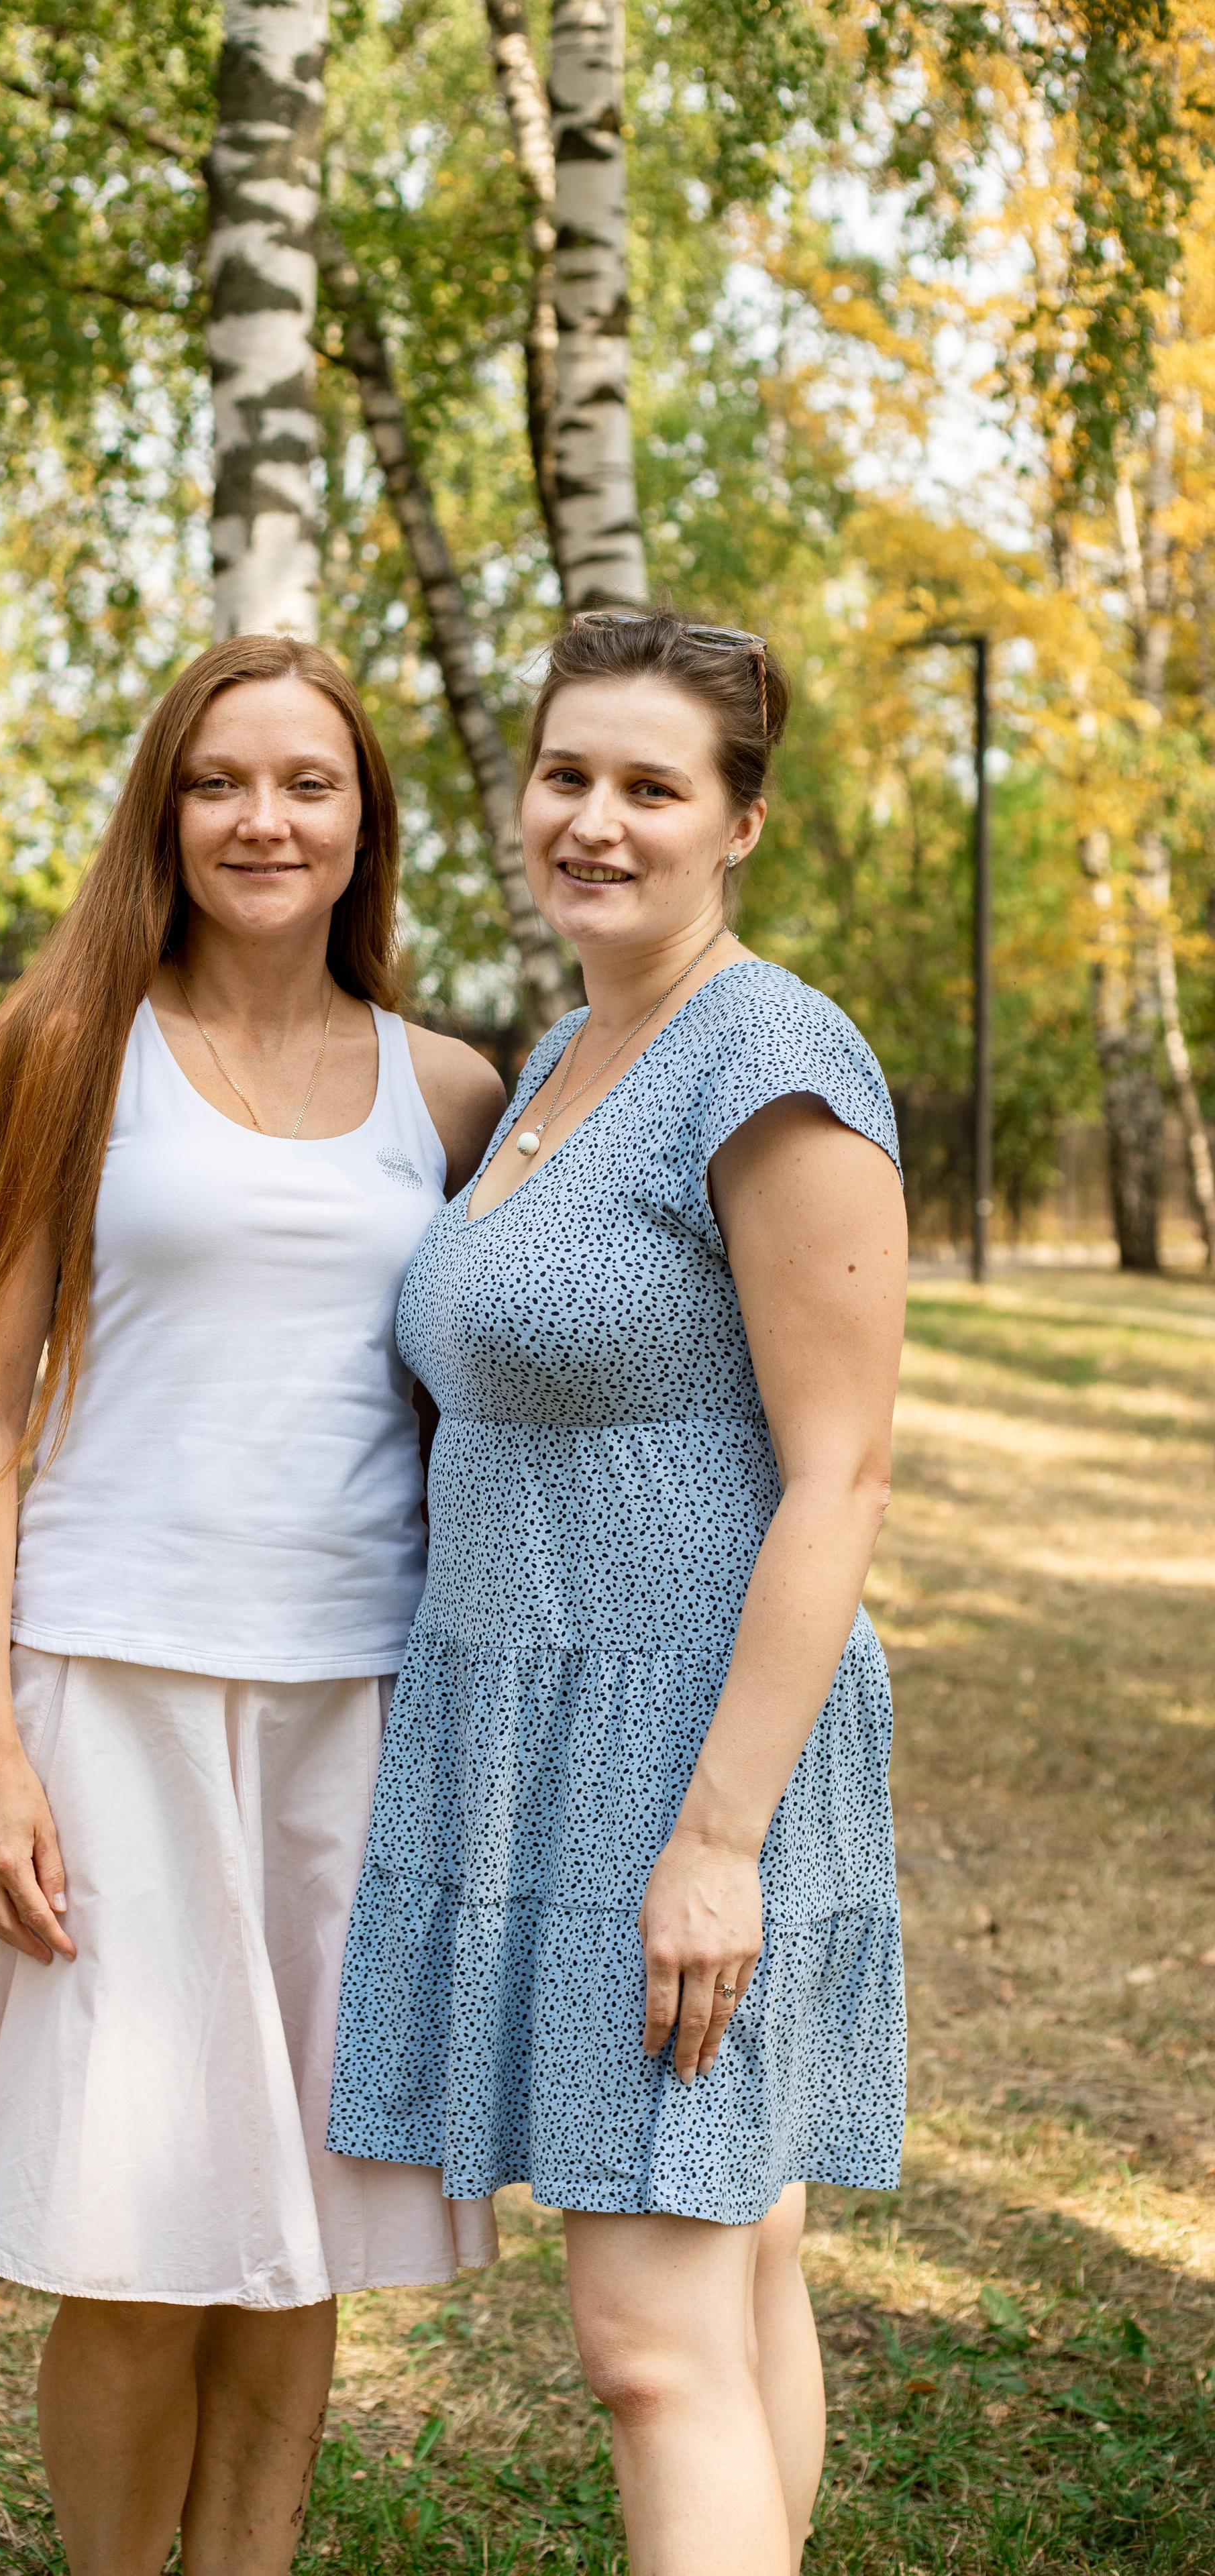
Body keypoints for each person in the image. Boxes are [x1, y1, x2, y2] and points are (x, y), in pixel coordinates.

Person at [0, 635, 506, 2575]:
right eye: (221, 782)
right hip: (112, 1697)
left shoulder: (447, 1090)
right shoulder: (64, 1047)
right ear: (166, 808)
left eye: (308, 783)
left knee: (301, 2234)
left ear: (363, 818)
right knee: (136, 2239)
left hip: (360, 1710)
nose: (263, 820)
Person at [328, 608, 908, 2576]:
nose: (596, 820)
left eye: (651, 786)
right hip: (545, 1723)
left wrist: (720, 1838)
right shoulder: (576, 1045)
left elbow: (842, 1473)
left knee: (649, 2344)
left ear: (740, 820)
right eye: (567, 774)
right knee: (734, 2286)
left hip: (692, 1743)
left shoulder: (772, 1059)